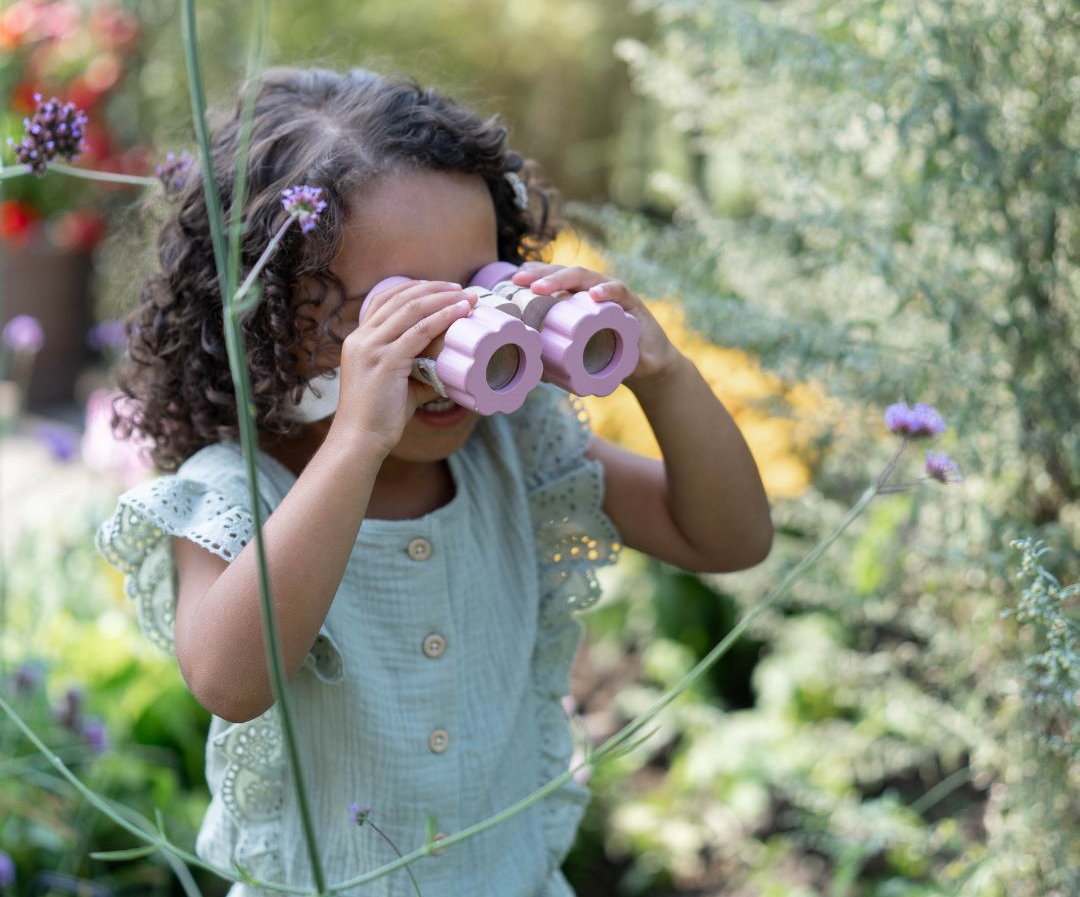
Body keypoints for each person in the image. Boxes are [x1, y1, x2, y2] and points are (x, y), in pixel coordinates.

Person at [95, 66, 773, 896]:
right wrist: (357, 443)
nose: (457, 355)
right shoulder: (235, 494)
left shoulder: (512, 453)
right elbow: (232, 682)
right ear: (261, 316)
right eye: (401, 319)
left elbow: (729, 538)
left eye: (479, 295)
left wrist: (662, 373)